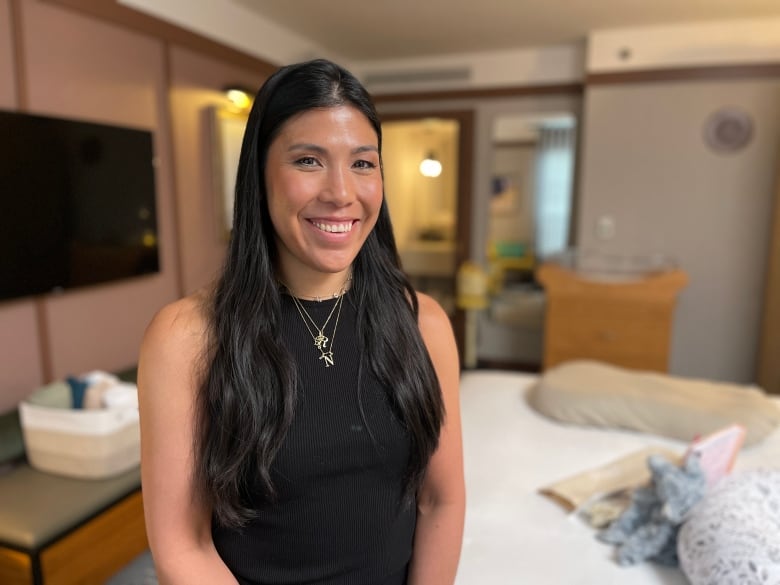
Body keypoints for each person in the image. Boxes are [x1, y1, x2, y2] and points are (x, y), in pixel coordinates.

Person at [138, 58, 465, 585]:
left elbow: (439, 499)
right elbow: (184, 545)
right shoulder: (187, 337)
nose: (341, 192)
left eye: (363, 163)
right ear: (259, 174)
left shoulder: (422, 322)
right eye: (309, 161)